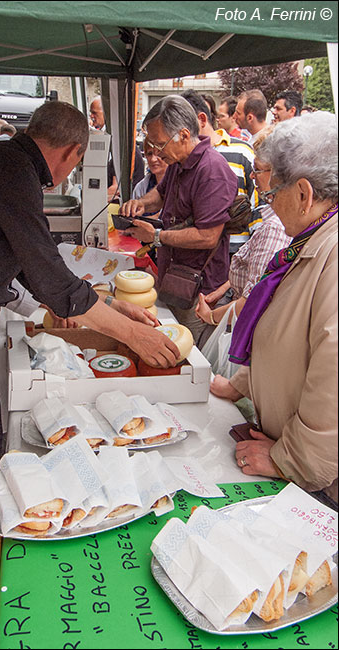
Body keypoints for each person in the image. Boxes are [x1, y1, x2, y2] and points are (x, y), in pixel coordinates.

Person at [0, 100, 179, 487]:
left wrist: (111, 305)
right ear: (73, 151)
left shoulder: (9, 164)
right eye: (76, 164)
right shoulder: (9, 168)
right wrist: (133, 335)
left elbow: (29, 267)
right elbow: (48, 274)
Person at [210, 112, 337, 507]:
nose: (268, 202)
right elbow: (287, 341)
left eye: (272, 191)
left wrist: (289, 460)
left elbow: (333, 378)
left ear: (304, 194)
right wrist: (243, 385)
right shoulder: (309, 241)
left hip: (320, 486)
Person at [120, 95, 238, 344]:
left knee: (188, 354)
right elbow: (161, 194)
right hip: (175, 280)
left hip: (199, 293)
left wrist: (155, 237)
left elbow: (208, 236)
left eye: (160, 144)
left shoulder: (212, 171)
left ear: (184, 135)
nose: (157, 153)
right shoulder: (178, 162)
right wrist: (141, 203)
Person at [195, 125, 291, 345]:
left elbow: (251, 302)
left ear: (277, 174)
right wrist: (223, 289)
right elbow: (258, 275)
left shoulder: (274, 228)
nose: (251, 175)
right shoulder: (272, 217)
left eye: (257, 169)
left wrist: (210, 317)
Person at [182, 89, 261, 257]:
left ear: (201, 119)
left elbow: (258, 204)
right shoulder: (182, 159)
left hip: (236, 250)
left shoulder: (242, 151)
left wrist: (253, 252)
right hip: (195, 252)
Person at [89, 96, 145, 201]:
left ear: (106, 113)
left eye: (95, 113)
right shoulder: (116, 145)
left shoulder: (120, 148)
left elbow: (116, 189)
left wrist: (91, 198)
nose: (91, 116)